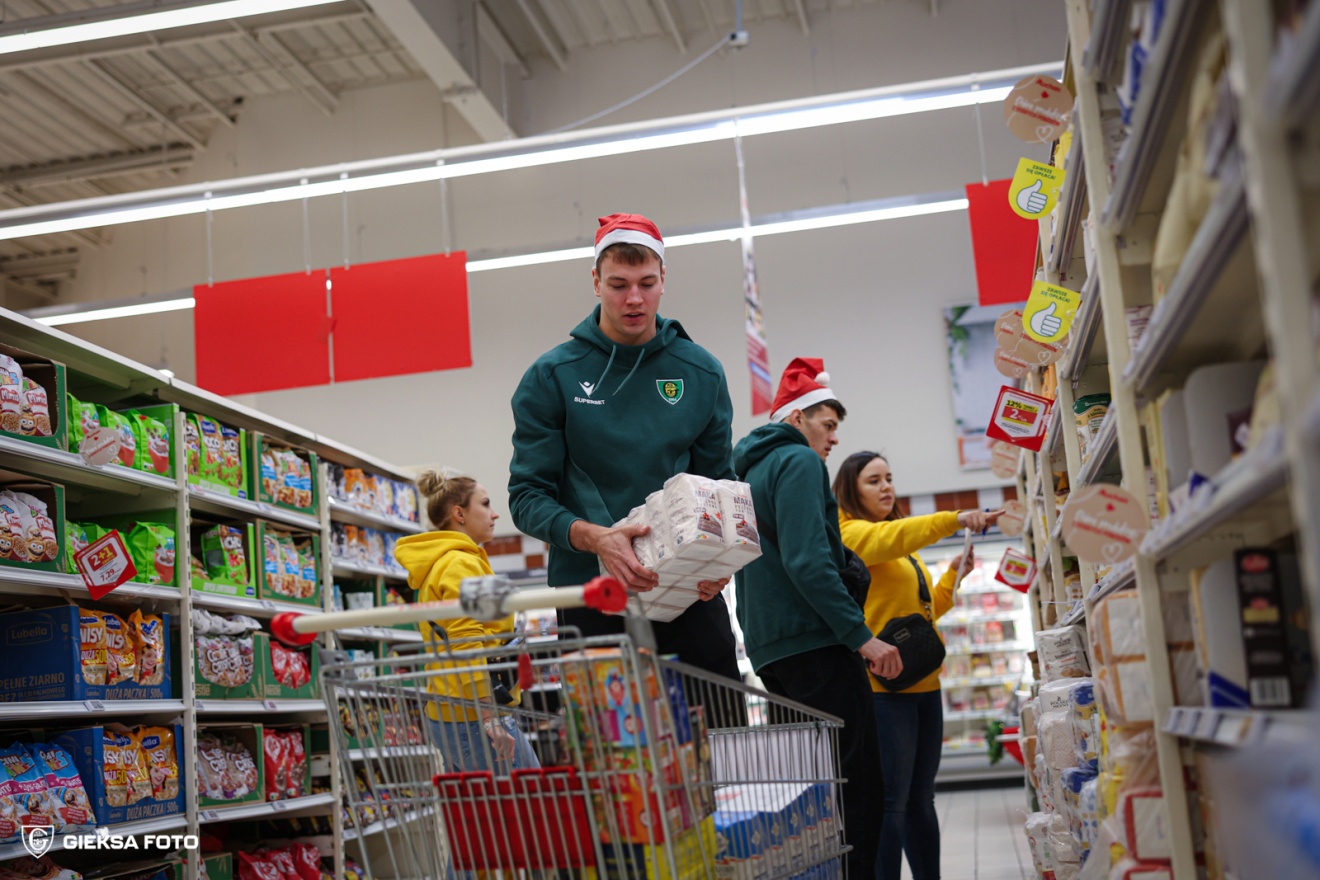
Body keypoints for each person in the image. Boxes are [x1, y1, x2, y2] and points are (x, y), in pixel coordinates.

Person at [508, 213, 741, 683]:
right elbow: (526, 497)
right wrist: (596, 538)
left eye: (646, 283)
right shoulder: (552, 377)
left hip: (687, 594)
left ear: (663, 280)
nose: (634, 298)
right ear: (596, 282)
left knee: (716, 726)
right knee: (613, 730)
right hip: (591, 595)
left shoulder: (700, 373)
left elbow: (721, 487)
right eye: (618, 285)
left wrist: (720, 560)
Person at [732, 357, 901, 880]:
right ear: (797, 418)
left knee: (810, 795)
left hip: (772, 651)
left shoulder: (749, 472)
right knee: (857, 788)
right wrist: (862, 637)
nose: (833, 438)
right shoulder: (799, 462)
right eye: (826, 425)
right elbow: (808, 561)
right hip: (817, 644)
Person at [832, 450, 1002, 880]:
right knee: (892, 803)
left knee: (921, 800)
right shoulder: (850, 535)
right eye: (873, 480)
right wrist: (955, 518)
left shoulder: (900, 546)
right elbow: (900, 535)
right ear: (850, 489)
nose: (886, 487)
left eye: (889, 478)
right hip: (884, 691)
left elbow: (920, 616)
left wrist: (952, 577)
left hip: (925, 684)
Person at [394, 471, 538, 773]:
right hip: (475, 715)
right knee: (531, 797)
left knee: (479, 803)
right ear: (459, 514)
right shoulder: (460, 562)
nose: (495, 513)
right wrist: (489, 718)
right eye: (485, 504)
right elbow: (467, 641)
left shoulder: (449, 561)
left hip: (453, 711)